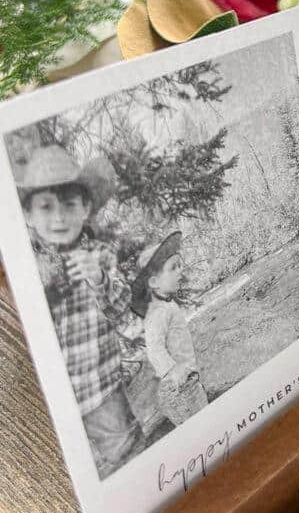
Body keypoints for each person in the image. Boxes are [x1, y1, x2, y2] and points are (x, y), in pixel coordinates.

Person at [19, 144, 144, 479]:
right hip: (51, 404)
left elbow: (122, 308)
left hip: (98, 388)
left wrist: (99, 277)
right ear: (28, 215)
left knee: (127, 453)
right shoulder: (25, 267)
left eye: (69, 204)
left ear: (86, 207)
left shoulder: (98, 254)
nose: (59, 217)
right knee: (62, 475)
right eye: (46, 207)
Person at [131, 232, 208, 427]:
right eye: (173, 267)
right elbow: (154, 347)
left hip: (186, 380)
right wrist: (173, 370)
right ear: (154, 282)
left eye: (180, 265)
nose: (180, 270)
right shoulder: (157, 313)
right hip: (178, 386)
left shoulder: (166, 305)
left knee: (203, 417)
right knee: (201, 425)